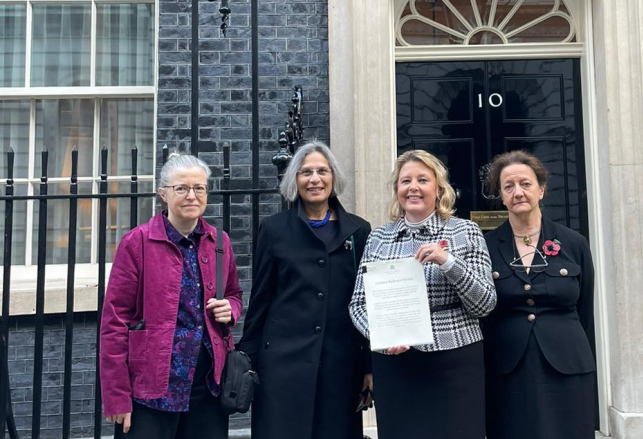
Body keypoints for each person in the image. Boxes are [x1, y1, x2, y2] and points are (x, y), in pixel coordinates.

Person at [349, 149, 497, 439]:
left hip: (455, 360)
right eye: (405, 181)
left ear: (438, 189)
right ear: (397, 190)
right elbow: (358, 304)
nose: (413, 187)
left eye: (422, 180)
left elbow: (485, 303)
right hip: (396, 364)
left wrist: (448, 262)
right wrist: (383, 336)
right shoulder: (379, 238)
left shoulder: (465, 232)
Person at [100, 153, 243, 439]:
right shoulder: (137, 243)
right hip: (151, 387)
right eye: (182, 188)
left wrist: (231, 309)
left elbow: (234, 294)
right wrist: (117, 396)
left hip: (208, 386)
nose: (192, 195)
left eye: (199, 188)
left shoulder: (220, 241)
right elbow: (115, 323)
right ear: (163, 194)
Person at [238, 141, 372, 439]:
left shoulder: (359, 231)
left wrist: (369, 366)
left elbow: (367, 303)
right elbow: (260, 298)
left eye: (322, 171)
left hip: (340, 364)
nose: (314, 179)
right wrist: (248, 358)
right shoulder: (274, 229)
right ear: (294, 181)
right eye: (305, 172)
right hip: (282, 366)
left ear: (333, 177)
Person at [482, 150, 596, 439]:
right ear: (501, 195)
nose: (517, 192)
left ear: (541, 190)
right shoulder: (485, 245)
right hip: (508, 367)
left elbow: (584, 309)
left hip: (566, 364)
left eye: (525, 184)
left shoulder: (573, 243)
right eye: (508, 186)